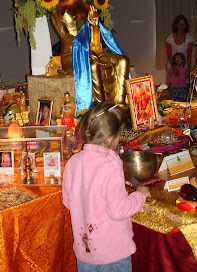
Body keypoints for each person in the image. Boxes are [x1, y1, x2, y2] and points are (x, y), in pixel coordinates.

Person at [62, 102, 151, 272]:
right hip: (113, 253)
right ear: (110, 138)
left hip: (86, 252)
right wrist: (140, 195)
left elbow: (68, 201)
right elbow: (118, 211)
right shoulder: (110, 166)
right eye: (119, 134)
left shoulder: (73, 162)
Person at [51, 0, 129, 112]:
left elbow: (95, 35)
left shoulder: (88, 7)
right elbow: (65, 36)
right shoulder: (58, 8)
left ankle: (119, 103)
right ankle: (98, 108)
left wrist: (94, 26)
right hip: (72, 54)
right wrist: (86, 49)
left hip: (92, 50)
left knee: (123, 60)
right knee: (93, 65)